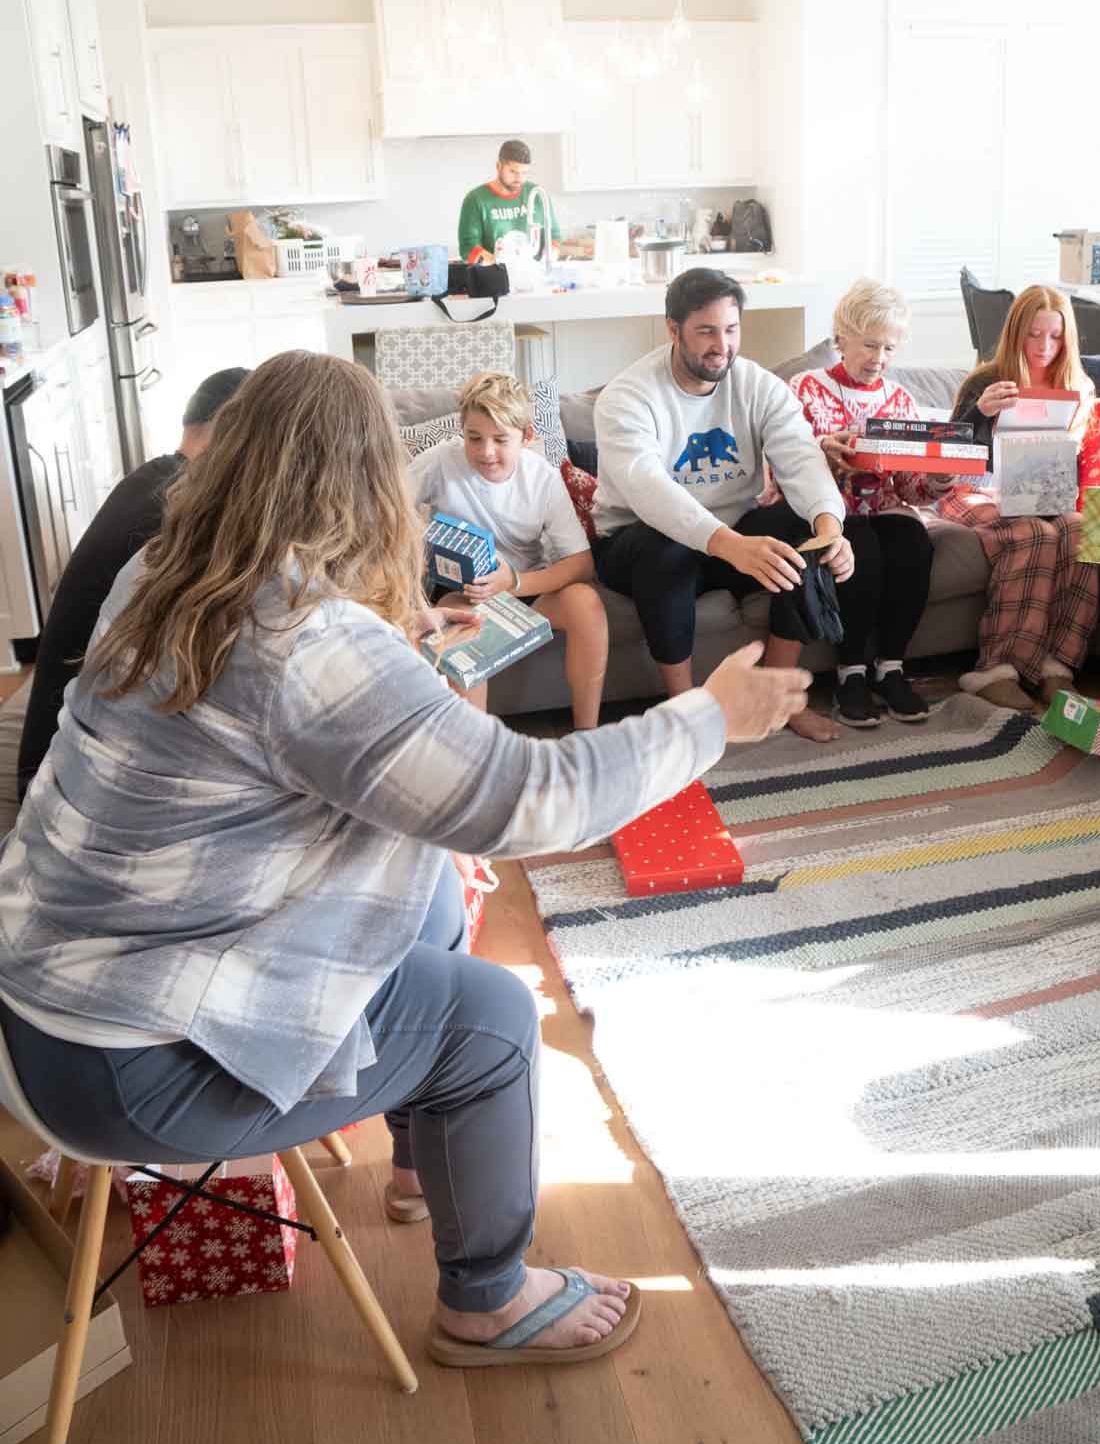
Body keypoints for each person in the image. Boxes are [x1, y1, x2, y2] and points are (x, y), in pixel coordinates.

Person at [0, 350, 813, 1367]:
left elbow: (274, 714)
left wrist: (412, 637)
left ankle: (430, 1160)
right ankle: (488, 1297)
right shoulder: (307, 642)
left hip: (35, 997)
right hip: (130, 1064)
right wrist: (708, 717)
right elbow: (530, 799)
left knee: (424, 880)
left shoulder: (162, 569)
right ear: (366, 482)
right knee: (500, 1019)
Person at [591, 266, 855, 744]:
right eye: (706, 331)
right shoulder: (627, 396)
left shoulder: (757, 385)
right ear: (673, 330)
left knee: (801, 531)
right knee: (664, 548)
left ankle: (776, 700)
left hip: (731, 537)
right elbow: (650, 491)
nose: (721, 344)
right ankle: (685, 714)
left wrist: (830, 524)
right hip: (637, 542)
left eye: (731, 330)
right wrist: (728, 544)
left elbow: (799, 455)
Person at [16, 366, 250, 799]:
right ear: (232, 428)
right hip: (66, 768)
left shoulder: (155, 476)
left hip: (65, 740)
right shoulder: (177, 510)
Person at [407, 370, 609, 729]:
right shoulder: (442, 462)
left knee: (586, 603)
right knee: (460, 629)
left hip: (523, 586)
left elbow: (582, 564)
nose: (486, 452)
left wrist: (513, 582)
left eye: (500, 439)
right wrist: (414, 553)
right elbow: (388, 510)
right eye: (474, 438)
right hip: (462, 594)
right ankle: (471, 753)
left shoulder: (542, 478)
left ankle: (586, 735)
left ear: (527, 436)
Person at [787, 279, 937, 726]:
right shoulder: (807, 387)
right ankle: (850, 673)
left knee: (914, 541)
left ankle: (891, 667)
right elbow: (785, 460)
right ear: (841, 339)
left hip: (885, 506)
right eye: (870, 345)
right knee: (861, 546)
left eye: (889, 349)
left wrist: (938, 475)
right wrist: (826, 455)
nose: (879, 359)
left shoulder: (900, 400)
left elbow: (913, 490)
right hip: (828, 510)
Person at [944, 286, 1099, 711]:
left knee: (1079, 530)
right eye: (1034, 335)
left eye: (1055, 336)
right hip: (973, 489)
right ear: (1016, 334)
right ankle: (996, 668)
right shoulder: (986, 380)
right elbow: (951, 459)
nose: (1045, 347)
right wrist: (981, 415)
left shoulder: (1078, 387)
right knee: (1033, 535)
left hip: (1040, 493)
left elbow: (1069, 463)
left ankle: (1057, 667)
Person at [457, 138, 560, 267]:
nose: (519, 178)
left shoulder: (537, 195)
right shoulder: (475, 199)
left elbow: (554, 235)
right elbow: (468, 248)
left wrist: (548, 257)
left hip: (533, 275)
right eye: (513, 172)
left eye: (524, 172)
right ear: (498, 166)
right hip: (495, 277)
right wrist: (502, 266)